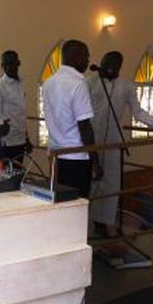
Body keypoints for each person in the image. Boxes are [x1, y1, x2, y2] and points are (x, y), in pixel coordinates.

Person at [87, 51, 153, 233]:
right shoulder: (89, 82)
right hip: (90, 140)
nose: (108, 68)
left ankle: (102, 223)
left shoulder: (126, 86)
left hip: (114, 143)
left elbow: (138, 112)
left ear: (119, 67)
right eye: (106, 64)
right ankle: (85, 223)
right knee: (89, 182)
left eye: (113, 65)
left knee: (111, 184)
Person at [42, 39, 102, 198]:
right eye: (86, 56)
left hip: (55, 155)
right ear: (75, 57)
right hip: (77, 156)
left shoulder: (48, 82)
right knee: (78, 204)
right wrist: (95, 161)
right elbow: (85, 127)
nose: (88, 61)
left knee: (60, 202)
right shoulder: (78, 84)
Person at [0, 50, 32, 165]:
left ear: (18, 63)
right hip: (7, 142)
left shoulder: (21, 83)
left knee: (18, 172)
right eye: (6, 64)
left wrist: (27, 138)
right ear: (2, 66)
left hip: (20, 139)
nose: (9, 67)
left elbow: (20, 113)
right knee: (7, 174)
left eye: (12, 63)